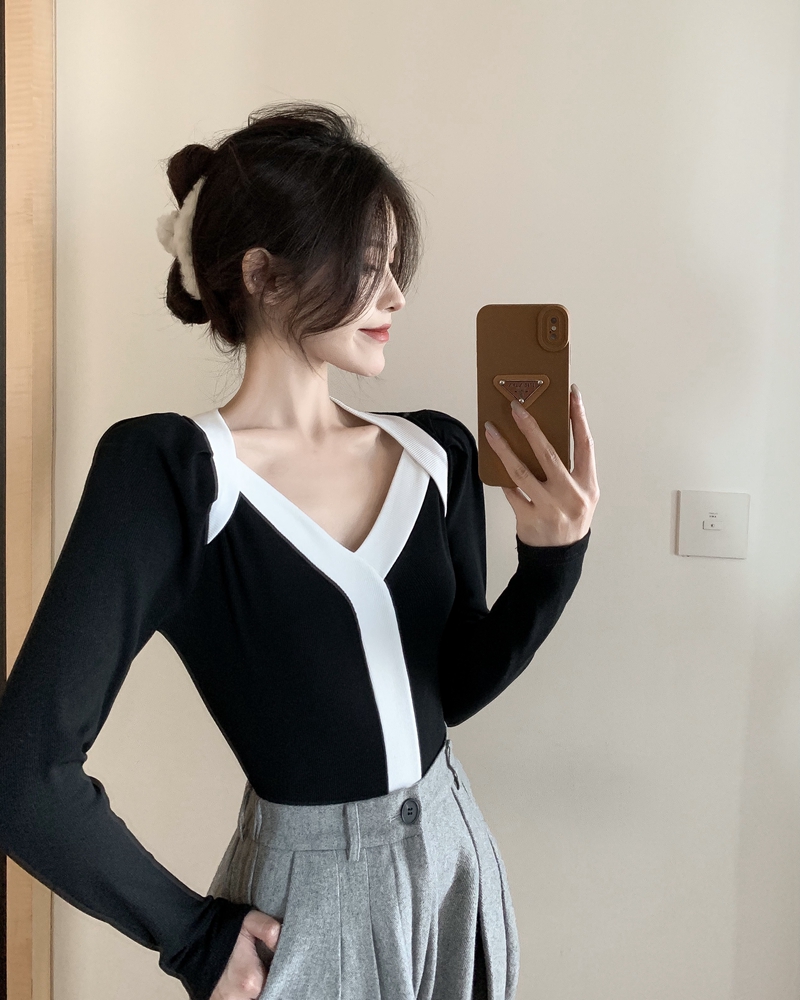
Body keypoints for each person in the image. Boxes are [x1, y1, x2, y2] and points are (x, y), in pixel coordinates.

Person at [0, 101, 599, 1000]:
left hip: (454, 863)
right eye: (368, 265)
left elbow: (446, 690)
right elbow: (24, 774)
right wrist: (194, 939)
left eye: (394, 265)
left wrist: (553, 561)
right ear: (263, 275)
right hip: (310, 903)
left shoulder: (436, 453)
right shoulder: (174, 475)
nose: (395, 295)